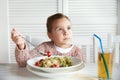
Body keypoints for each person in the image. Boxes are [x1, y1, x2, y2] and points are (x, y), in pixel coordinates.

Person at [11, 13, 85, 67]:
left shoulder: (77, 52)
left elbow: (80, 69)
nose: (66, 32)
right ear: (50, 35)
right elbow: (23, 63)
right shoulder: (44, 48)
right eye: (60, 29)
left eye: (68, 28)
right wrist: (21, 45)